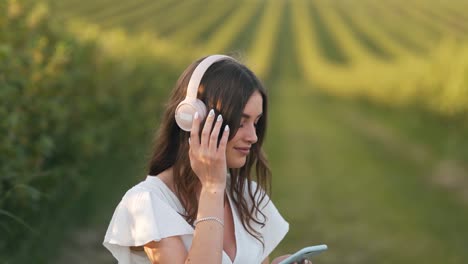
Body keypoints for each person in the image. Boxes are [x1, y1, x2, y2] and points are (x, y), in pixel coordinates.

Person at [103, 55, 311, 264]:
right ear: (194, 118)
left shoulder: (247, 195)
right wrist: (212, 188)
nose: (253, 137)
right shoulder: (148, 203)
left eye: (256, 123)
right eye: (241, 122)